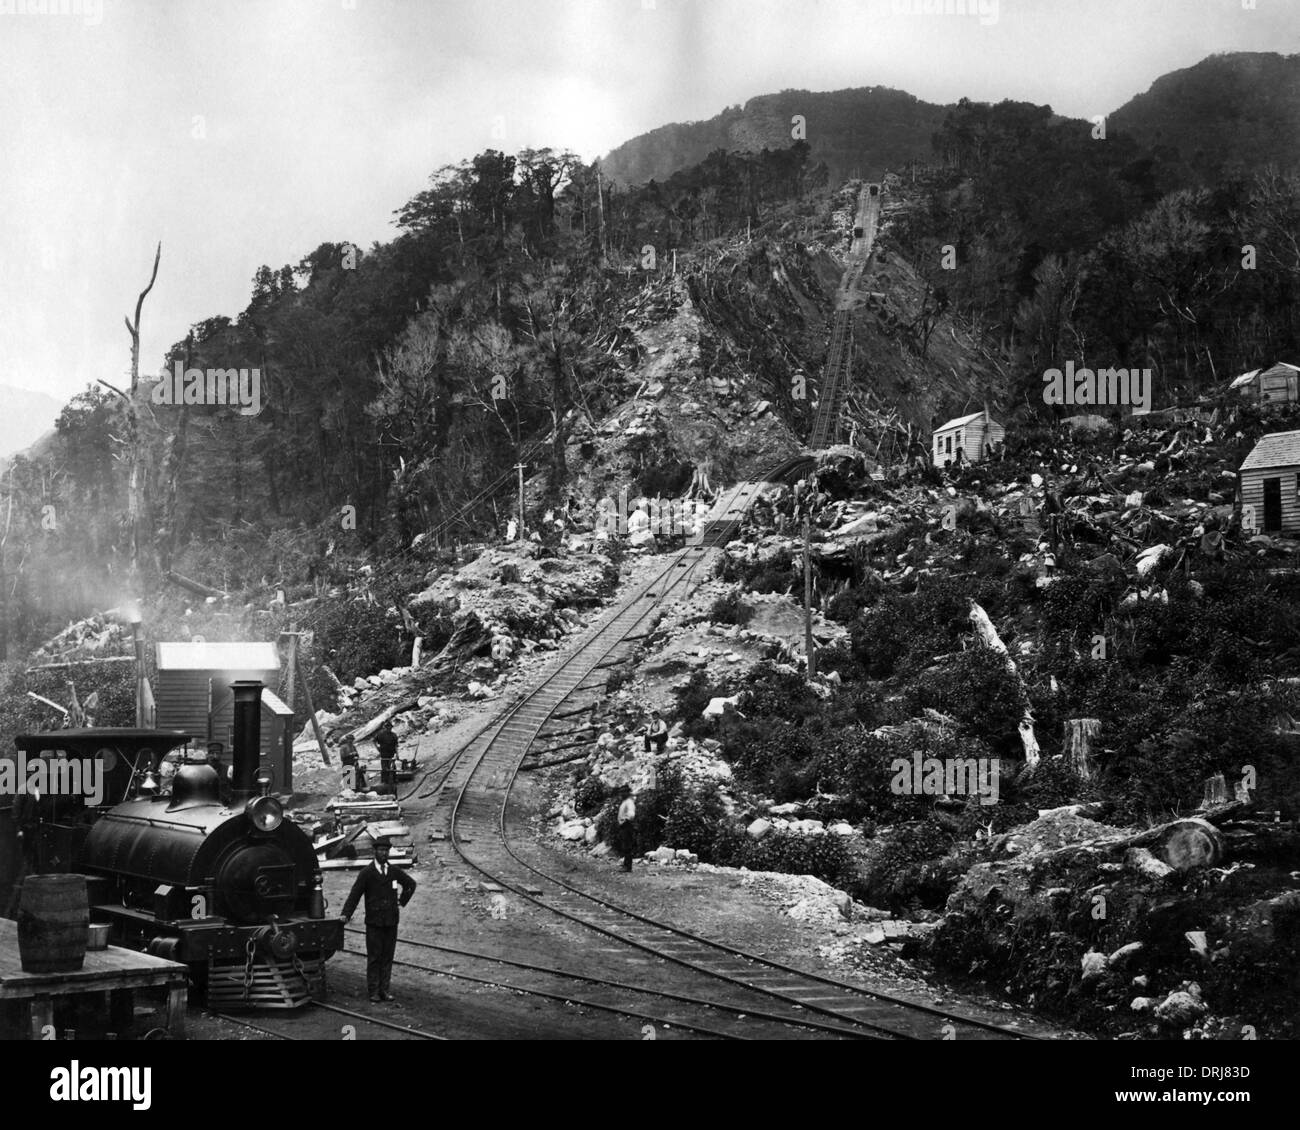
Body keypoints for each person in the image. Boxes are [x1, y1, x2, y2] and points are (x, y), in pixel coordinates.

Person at [341, 837, 416, 1003]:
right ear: (375, 852)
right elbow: (355, 895)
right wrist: (346, 914)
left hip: (391, 921)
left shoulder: (394, 871)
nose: (384, 853)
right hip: (374, 922)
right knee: (374, 958)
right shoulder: (367, 873)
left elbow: (411, 884)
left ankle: (385, 990)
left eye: (386, 850)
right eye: (381, 850)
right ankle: (373, 991)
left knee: (387, 957)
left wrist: (402, 901)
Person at [374, 722, 398, 793]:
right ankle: (384, 781)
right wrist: (377, 748)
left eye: (390, 728)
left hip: (391, 753)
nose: (389, 729)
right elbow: (374, 741)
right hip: (384, 753)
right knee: (384, 767)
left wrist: (397, 754)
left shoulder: (394, 735)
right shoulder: (380, 734)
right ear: (385, 727)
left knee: (392, 766)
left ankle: (394, 779)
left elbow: (396, 745)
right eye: (387, 727)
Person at [616, 788, 637, 873]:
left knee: (627, 846)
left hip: (627, 825)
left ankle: (628, 867)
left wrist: (626, 819)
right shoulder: (625, 801)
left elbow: (631, 814)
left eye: (623, 792)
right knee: (625, 845)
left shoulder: (629, 802)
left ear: (627, 793)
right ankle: (626, 864)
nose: (621, 794)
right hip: (624, 825)